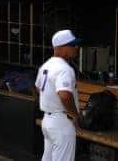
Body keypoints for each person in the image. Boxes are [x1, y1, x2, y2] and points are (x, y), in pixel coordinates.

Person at [35, 29, 81, 161]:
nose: (75, 48)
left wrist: (51, 101)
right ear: (61, 47)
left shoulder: (46, 65)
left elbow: (39, 88)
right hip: (61, 122)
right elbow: (65, 95)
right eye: (72, 45)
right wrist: (74, 115)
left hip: (48, 121)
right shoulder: (64, 69)